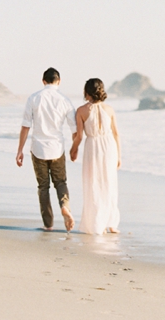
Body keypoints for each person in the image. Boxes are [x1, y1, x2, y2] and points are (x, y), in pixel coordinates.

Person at [16, 67, 77, 232]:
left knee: (43, 187)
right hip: (57, 148)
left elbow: (25, 126)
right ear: (59, 81)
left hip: (38, 149)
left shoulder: (34, 98)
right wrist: (74, 148)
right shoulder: (64, 100)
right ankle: (65, 206)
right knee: (61, 182)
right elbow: (74, 129)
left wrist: (19, 151)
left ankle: (48, 224)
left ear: (43, 81)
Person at [70, 77, 121, 235]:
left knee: (93, 184)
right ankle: (111, 223)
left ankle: (97, 223)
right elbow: (116, 134)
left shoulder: (81, 111)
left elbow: (79, 136)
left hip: (92, 147)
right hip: (109, 147)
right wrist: (119, 156)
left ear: (86, 92)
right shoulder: (110, 109)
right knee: (109, 184)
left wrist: (74, 149)